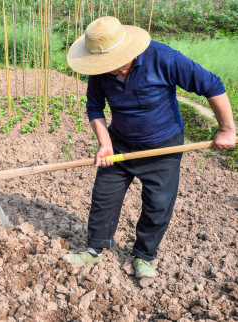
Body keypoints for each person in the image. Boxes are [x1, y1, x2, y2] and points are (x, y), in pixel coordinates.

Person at [62, 16, 236, 277]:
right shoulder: (100, 71)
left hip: (163, 145)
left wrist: (226, 129)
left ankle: (144, 255)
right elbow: (94, 107)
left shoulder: (164, 58)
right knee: (104, 197)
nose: (107, 69)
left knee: (158, 203)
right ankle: (94, 250)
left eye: (112, 64)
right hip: (119, 143)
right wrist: (105, 143)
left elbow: (212, 85)